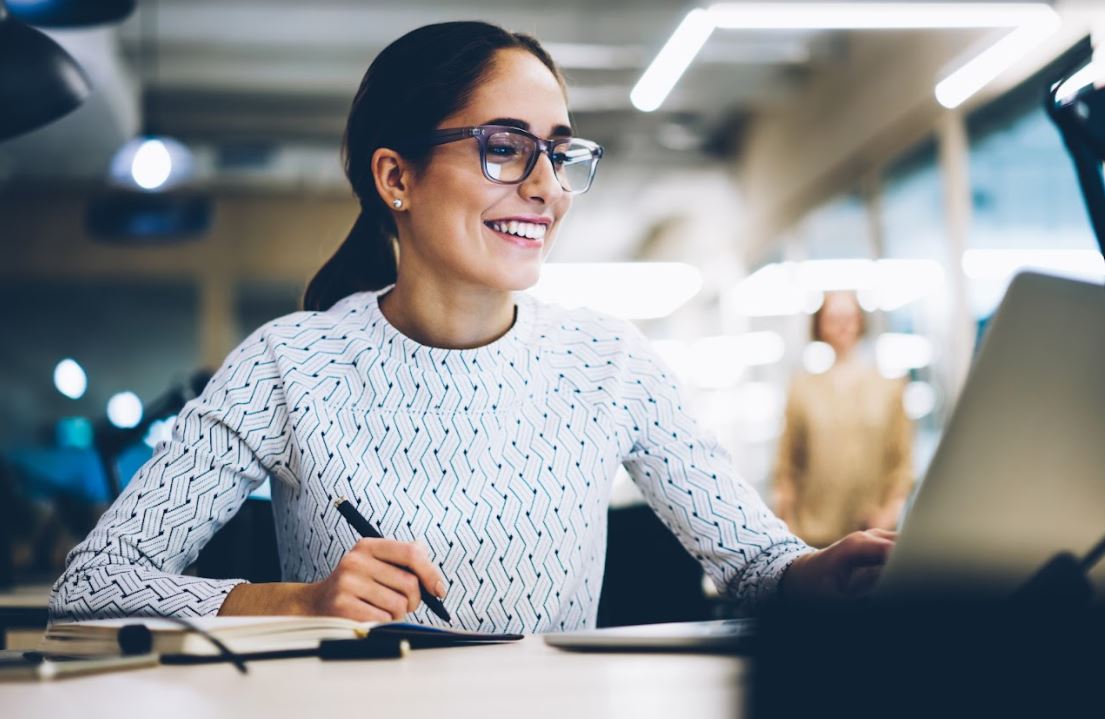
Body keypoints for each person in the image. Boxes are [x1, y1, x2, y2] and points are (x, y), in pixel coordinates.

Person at [50, 22, 895, 631]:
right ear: (396, 178)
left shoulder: (607, 361)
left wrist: (825, 570)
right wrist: (297, 602)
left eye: (559, 153)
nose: (546, 186)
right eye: (504, 146)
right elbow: (96, 583)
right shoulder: (288, 363)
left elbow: (752, 566)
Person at [774, 291, 913, 548]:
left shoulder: (889, 388)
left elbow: (901, 464)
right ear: (819, 324)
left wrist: (888, 514)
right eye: (834, 317)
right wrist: (787, 523)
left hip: (873, 533)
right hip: (813, 534)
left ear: (861, 321)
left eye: (849, 316)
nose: (842, 324)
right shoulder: (802, 389)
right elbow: (787, 467)